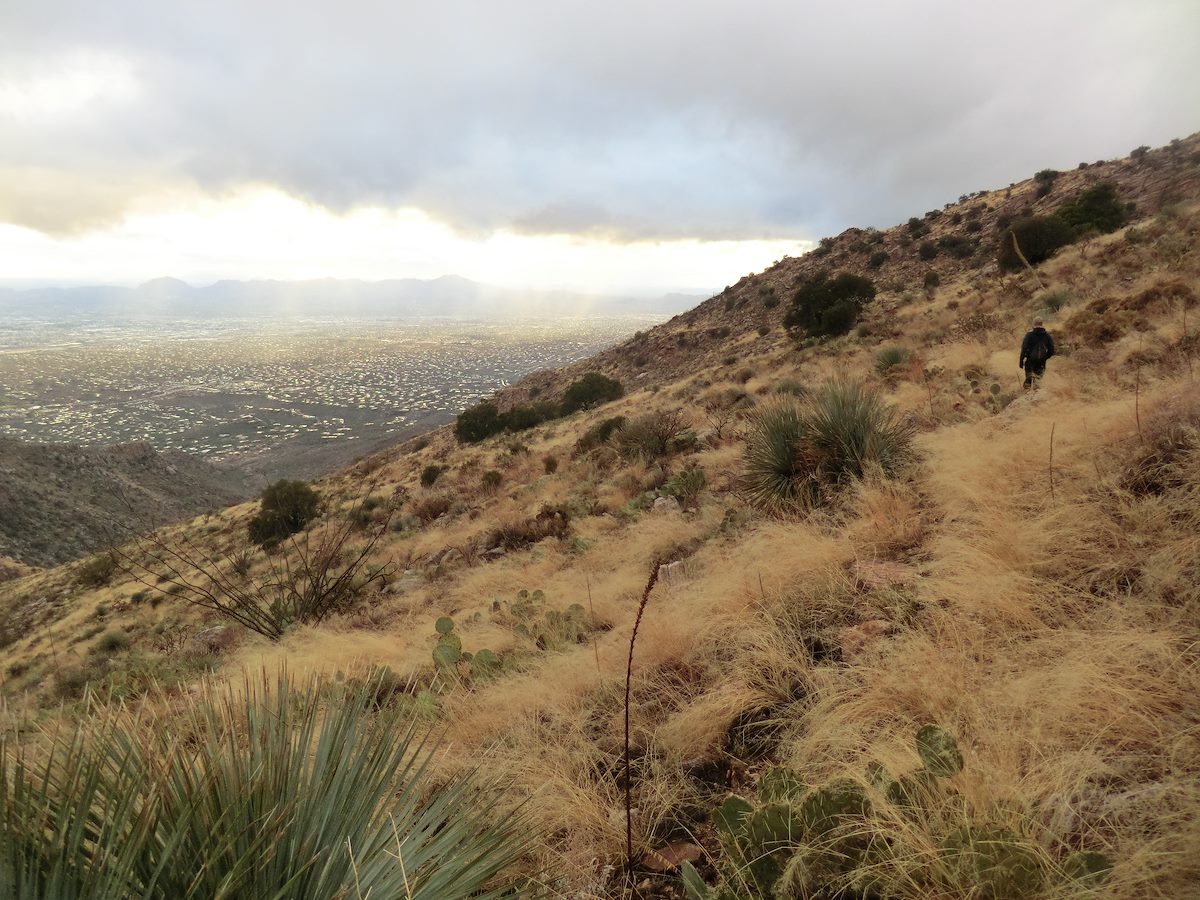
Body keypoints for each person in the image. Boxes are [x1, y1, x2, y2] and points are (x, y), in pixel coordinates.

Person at [1019, 317, 1056, 389]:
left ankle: (1027, 395)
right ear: (1042, 324)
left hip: (1030, 361)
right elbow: (1051, 349)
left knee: (1029, 380)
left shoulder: (1029, 335)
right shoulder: (1047, 336)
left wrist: (1021, 361)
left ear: (1034, 324)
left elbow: (1024, 348)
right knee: (1038, 380)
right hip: (1041, 361)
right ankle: (1035, 396)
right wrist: (1045, 357)